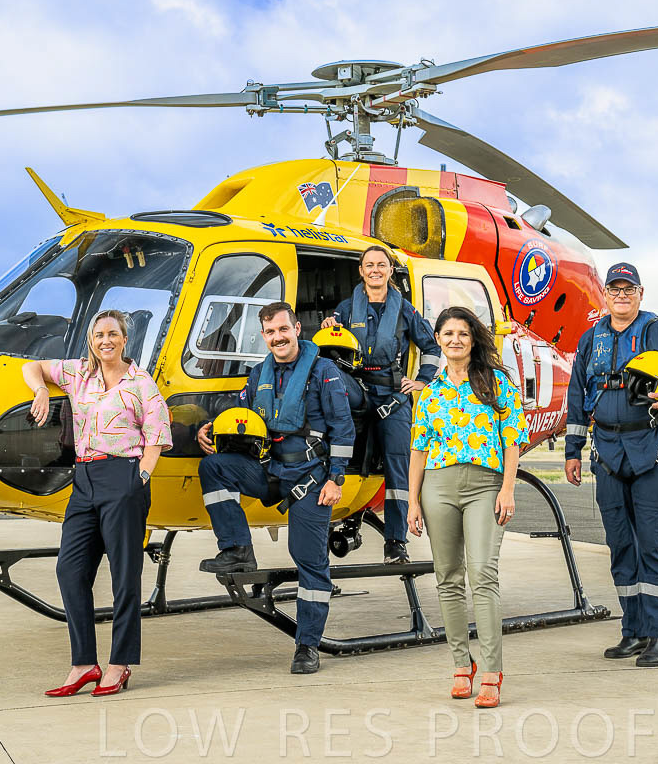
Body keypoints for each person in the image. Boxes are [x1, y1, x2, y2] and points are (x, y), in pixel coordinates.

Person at [563, 263, 658, 667]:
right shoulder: (590, 339)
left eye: (629, 289)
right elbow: (577, 395)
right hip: (607, 453)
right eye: (615, 289)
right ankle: (634, 631)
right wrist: (573, 450)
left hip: (650, 450)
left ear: (640, 294)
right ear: (605, 295)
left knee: (652, 542)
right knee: (620, 545)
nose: (622, 296)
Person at [195, 301, 355, 675]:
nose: (277, 337)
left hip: (311, 479)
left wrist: (336, 478)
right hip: (270, 471)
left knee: (308, 559)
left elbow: (343, 428)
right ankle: (237, 549)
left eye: (283, 329)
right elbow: (242, 415)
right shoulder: (259, 375)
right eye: (270, 332)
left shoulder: (324, 372)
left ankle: (307, 645)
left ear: (297, 329)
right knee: (214, 467)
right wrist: (208, 428)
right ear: (263, 335)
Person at [22, 309, 172, 697]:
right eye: (99, 334)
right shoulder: (79, 374)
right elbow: (33, 367)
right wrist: (41, 390)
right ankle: (84, 664)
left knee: (124, 575)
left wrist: (139, 478)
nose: (105, 340)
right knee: (69, 569)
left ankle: (120, 663)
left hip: (124, 476)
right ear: (91, 340)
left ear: (124, 340)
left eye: (112, 334)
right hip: (84, 479)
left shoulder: (141, 383)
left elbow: (157, 435)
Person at [406, 306, 529, 709]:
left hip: (485, 486)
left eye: (462, 333)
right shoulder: (430, 392)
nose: (455, 340)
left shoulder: (496, 383)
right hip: (438, 487)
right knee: (447, 577)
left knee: (482, 574)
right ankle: (462, 664)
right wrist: (412, 501)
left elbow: (512, 439)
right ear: (438, 340)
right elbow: (418, 449)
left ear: (473, 339)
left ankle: (492, 670)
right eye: (448, 334)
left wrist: (507, 489)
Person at [322, 245, 440, 564]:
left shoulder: (405, 311)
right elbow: (331, 346)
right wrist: (328, 326)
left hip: (392, 395)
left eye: (381, 265)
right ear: (361, 271)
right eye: (369, 265)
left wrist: (422, 380)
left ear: (390, 271)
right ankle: (332, 521)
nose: (375, 270)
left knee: (397, 467)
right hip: (357, 389)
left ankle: (395, 542)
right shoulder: (346, 309)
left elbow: (431, 347)